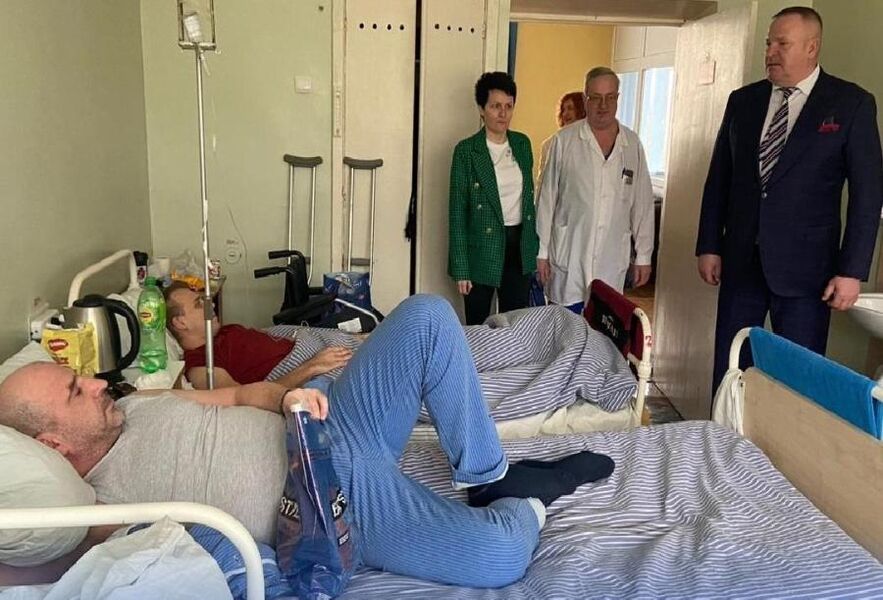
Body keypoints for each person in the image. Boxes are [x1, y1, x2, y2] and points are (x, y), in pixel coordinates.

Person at [0, 295, 614, 588]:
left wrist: (288, 395)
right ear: (52, 445)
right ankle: (530, 499)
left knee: (428, 317)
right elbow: (32, 562)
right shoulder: (94, 508)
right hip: (331, 499)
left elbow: (240, 397)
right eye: (76, 391)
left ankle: (485, 476)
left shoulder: (140, 403)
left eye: (79, 376)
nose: (95, 382)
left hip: (328, 420)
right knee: (501, 557)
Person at [696, 6, 883, 399]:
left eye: (782, 44)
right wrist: (709, 244)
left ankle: (782, 441)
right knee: (731, 369)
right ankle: (723, 435)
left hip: (808, 273)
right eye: (769, 43)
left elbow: (867, 194)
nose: (770, 53)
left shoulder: (850, 104)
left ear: (811, 47)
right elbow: (720, 179)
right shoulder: (743, 102)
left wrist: (851, 270)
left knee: (799, 378)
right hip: (742, 261)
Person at [536, 67, 655, 314]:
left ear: (618, 98)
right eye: (596, 97)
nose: (603, 105)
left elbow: (642, 205)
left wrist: (644, 255)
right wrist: (541, 252)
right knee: (565, 328)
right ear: (585, 98)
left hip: (611, 262)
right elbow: (546, 201)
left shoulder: (632, 144)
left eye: (610, 97)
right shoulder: (564, 141)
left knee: (604, 329)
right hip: (569, 259)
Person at [449, 71, 540, 325]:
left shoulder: (522, 144)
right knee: (478, 324)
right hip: (481, 248)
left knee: (516, 324)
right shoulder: (467, 151)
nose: (503, 113)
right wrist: (461, 268)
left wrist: (535, 249)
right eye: (495, 106)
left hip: (518, 247)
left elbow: (528, 202)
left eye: (509, 106)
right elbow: (457, 212)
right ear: (481, 109)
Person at [164, 281, 354, 389]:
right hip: (312, 368)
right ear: (180, 323)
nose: (211, 304)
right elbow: (243, 397)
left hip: (320, 346)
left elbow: (268, 338)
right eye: (199, 304)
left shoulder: (224, 332)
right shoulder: (201, 364)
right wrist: (312, 367)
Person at [537, 90, 587, 184]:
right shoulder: (549, 144)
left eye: (570, 108)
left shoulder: (592, 141)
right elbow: (543, 182)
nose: (565, 114)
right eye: (563, 110)